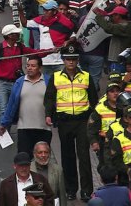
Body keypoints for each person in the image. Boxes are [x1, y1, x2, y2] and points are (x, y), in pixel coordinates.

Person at [44, 44, 97, 201]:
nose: (71, 62)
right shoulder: (56, 77)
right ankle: (70, 190)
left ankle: (87, 191)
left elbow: (93, 99)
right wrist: (48, 115)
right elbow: (49, 98)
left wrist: (94, 119)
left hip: (82, 121)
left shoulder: (86, 76)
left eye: (73, 59)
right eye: (68, 59)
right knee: (68, 157)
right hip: (64, 121)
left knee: (84, 157)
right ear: (63, 60)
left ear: (77, 60)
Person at [0, 56, 52, 155]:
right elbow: (11, 104)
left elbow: (55, 102)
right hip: (24, 128)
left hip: (44, 128)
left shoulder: (48, 81)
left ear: (40, 68)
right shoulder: (19, 82)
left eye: (33, 66)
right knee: (24, 159)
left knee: (42, 158)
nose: (29, 68)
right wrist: (4, 123)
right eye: (28, 66)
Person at [31, 141, 68, 206]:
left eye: (46, 152)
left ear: (50, 154)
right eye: (40, 152)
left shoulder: (57, 170)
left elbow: (62, 195)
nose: (43, 155)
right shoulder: (28, 168)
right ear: (34, 154)